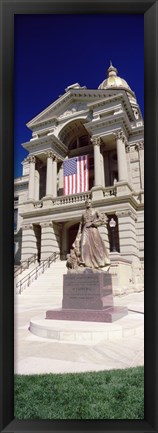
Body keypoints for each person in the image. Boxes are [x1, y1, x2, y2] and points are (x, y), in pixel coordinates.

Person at [72, 198, 110, 270]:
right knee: (84, 244)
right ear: (85, 204)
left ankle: (99, 262)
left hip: (93, 229)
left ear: (91, 203)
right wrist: (78, 235)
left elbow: (103, 219)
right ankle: (84, 262)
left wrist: (94, 223)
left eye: (89, 202)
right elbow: (81, 224)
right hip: (85, 229)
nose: (88, 203)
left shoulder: (95, 211)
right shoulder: (83, 213)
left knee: (96, 246)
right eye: (87, 202)